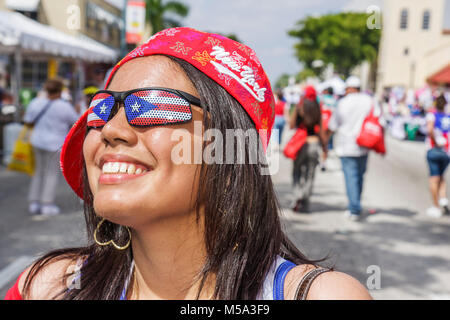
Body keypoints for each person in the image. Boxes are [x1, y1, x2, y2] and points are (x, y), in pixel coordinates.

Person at [5, 28, 371, 300]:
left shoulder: (320, 296)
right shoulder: (49, 287)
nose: (111, 129)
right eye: (101, 109)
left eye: (152, 106)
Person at [23, 78, 79, 216]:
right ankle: (46, 204)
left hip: (37, 141)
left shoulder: (36, 102)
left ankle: (34, 202)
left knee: (38, 172)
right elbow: (75, 121)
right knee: (51, 175)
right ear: (60, 90)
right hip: (54, 144)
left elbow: (27, 120)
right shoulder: (64, 106)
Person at [327, 76, 373, 221]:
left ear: (349, 88)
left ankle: (354, 208)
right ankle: (356, 203)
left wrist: (325, 140)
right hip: (365, 144)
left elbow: (332, 125)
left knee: (351, 177)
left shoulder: (342, 103)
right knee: (359, 176)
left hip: (346, 146)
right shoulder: (369, 101)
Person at [289, 86, 326, 213]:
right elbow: (321, 131)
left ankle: (297, 195)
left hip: (300, 144)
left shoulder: (300, 107)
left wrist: (296, 110)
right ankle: (305, 199)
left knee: (297, 171)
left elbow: (292, 125)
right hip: (313, 143)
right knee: (310, 174)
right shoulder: (318, 108)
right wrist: (325, 148)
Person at [425, 94, 450, 218]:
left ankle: (436, 206)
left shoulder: (432, 115)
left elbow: (430, 130)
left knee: (434, 179)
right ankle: (443, 198)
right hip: (446, 151)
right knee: (441, 176)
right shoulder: (448, 116)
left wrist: (434, 141)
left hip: (435, 149)